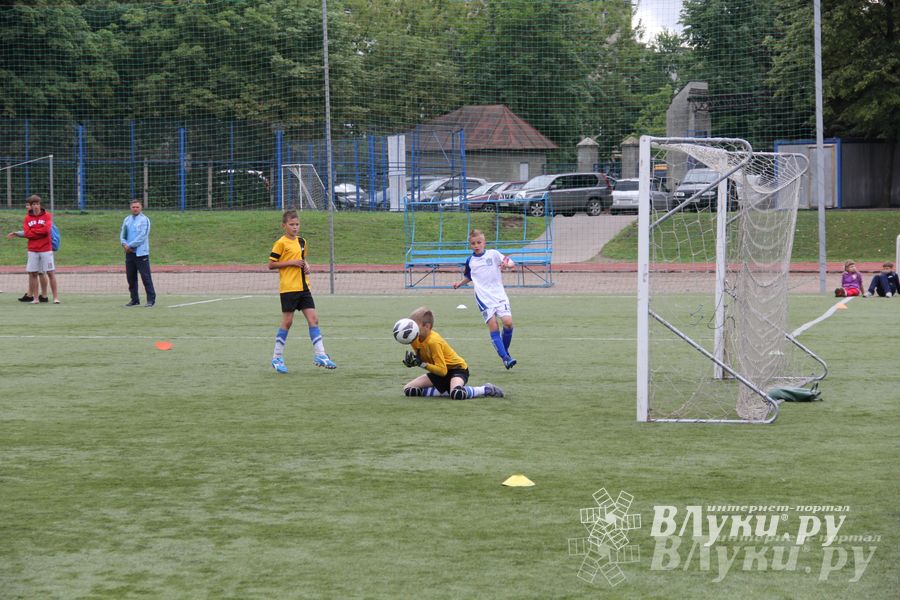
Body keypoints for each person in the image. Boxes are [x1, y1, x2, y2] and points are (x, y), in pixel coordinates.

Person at [268, 209, 336, 373]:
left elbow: (302, 259)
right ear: (284, 225)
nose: (295, 227)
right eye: (291, 224)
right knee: (287, 322)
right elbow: (271, 264)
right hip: (289, 288)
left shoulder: (302, 242)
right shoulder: (281, 243)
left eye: (297, 224)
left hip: (304, 288)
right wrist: (291, 262)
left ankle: (321, 354)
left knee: (314, 319)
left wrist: (306, 265)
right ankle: (277, 357)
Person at [401, 306, 504, 400]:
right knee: (409, 390)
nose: (411, 330)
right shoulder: (414, 338)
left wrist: (421, 364)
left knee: (457, 394)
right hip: (438, 372)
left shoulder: (433, 341)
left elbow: (442, 371)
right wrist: (413, 362)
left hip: (457, 370)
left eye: (415, 326)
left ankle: (485, 389)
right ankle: (446, 391)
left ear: (427, 326)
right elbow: (426, 360)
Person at [452, 229, 517, 369]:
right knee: (494, 326)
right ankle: (505, 358)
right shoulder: (470, 261)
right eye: (473, 243)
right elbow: (469, 277)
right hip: (483, 297)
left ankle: (504, 352)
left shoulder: (493, 254)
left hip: (499, 294)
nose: (476, 245)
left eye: (479, 242)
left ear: (484, 242)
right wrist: (459, 283)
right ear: (470, 245)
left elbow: (510, 262)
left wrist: (507, 265)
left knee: (508, 323)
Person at [6, 194, 59, 304]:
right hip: (33, 249)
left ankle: (51, 297)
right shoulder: (27, 218)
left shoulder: (47, 216)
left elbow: (45, 231)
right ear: (30, 206)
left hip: (46, 249)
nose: (35, 206)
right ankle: (34, 297)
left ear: (40, 205)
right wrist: (33, 233)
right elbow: (27, 233)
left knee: (48, 273)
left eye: (37, 204)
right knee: (33, 273)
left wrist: (33, 233)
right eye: (33, 204)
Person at [120, 199, 157, 307]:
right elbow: (123, 234)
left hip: (141, 254)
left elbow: (142, 236)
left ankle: (151, 300)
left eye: (137, 207)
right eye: (133, 207)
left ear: (141, 208)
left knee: (146, 278)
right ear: (130, 208)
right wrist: (124, 244)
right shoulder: (126, 219)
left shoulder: (144, 220)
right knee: (131, 278)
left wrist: (130, 245)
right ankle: (134, 299)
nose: (135, 209)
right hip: (129, 253)